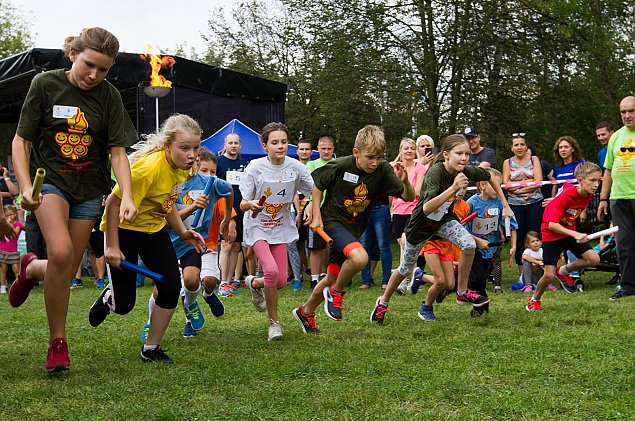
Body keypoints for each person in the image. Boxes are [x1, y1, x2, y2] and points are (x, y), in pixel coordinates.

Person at [9, 27, 135, 372]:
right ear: (73, 55)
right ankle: (58, 342)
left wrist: (127, 194)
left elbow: (118, 152)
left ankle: (32, 268)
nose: (94, 75)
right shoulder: (46, 84)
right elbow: (21, 142)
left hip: (89, 190)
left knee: (62, 269)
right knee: (63, 253)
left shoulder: (108, 96)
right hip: (50, 182)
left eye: (104, 69)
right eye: (89, 65)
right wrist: (25, 186)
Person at [88, 113, 206, 365]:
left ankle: (151, 348)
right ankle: (110, 298)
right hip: (123, 230)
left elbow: (167, 202)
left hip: (153, 230)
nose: (192, 155)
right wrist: (112, 245)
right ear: (167, 145)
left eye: (195, 148)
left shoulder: (185, 168)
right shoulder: (148, 170)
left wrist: (183, 232)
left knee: (171, 286)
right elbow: (112, 202)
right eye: (184, 148)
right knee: (124, 306)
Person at [370, 134, 513, 325]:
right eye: (459, 153)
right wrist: (453, 188)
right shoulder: (436, 173)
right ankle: (383, 302)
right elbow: (427, 207)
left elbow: (489, 175)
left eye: (467, 154)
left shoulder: (465, 170)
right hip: (421, 226)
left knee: (469, 245)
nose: (464, 158)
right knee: (405, 268)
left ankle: (462, 292)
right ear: (446, 154)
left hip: (444, 222)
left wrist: (505, 205)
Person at [293, 125, 414, 333]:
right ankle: (336, 293)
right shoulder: (340, 165)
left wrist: (405, 181)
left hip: (354, 228)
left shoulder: (383, 169)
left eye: (379, 157)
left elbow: (409, 197)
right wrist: (316, 214)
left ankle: (305, 312)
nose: (374, 162)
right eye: (369, 157)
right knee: (359, 258)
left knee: (331, 276)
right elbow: (317, 185)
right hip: (333, 222)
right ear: (356, 152)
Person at [141, 148, 233, 341]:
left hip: (191, 243)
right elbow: (166, 221)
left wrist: (226, 219)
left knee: (192, 280)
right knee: (161, 289)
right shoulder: (170, 182)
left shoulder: (209, 183)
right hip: (166, 242)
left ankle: (190, 304)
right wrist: (193, 207)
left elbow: (229, 190)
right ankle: (150, 323)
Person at [240, 122, 313, 341]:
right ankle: (274, 324)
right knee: (271, 272)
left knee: (280, 281)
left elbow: (314, 189)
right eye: (274, 143)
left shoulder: (295, 167)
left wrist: (309, 204)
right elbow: (242, 204)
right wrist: (252, 204)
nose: (280, 146)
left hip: (280, 228)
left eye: (283, 142)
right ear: (265, 146)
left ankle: (253, 283)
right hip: (257, 226)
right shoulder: (255, 167)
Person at [526, 162, 602, 311]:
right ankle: (534, 300)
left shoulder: (589, 193)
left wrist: (573, 232)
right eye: (592, 180)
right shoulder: (565, 197)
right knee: (548, 275)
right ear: (580, 180)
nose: (596, 184)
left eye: (598, 180)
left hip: (569, 231)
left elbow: (567, 186)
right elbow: (552, 225)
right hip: (552, 235)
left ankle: (563, 271)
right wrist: (576, 234)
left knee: (594, 259)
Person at [465, 168, 518, 317]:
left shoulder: (500, 203)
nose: (498, 189)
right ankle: (472, 298)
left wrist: (513, 246)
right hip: (474, 247)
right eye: (495, 185)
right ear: (482, 185)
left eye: (500, 186)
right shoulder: (472, 203)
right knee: (478, 277)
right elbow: (463, 228)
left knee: (481, 279)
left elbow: (512, 224)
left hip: (491, 248)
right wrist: (476, 241)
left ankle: (480, 305)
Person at [597, 95, 635, 300]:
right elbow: (608, 170)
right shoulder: (616, 137)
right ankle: (628, 286)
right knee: (624, 244)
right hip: (619, 198)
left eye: (631, 111)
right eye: (623, 112)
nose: (627, 115)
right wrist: (603, 199)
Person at [411, 192, 469, 321]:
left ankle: (421, 276)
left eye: (464, 188)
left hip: (446, 245)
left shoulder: (465, 206)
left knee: (449, 284)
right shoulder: (440, 202)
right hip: (431, 243)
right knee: (440, 281)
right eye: (458, 189)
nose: (461, 192)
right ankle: (426, 308)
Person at [502, 133, 543, 272]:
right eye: (516, 145)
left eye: (522, 144)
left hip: (534, 202)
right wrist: (525, 184)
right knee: (519, 237)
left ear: (526, 147)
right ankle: (522, 273)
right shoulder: (507, 162)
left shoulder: (534, 159)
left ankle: (538, 270)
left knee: (535, 234)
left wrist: (518, 186)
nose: (519, 147)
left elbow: (538, 181)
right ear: (512, 148)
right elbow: (505, 183)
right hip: (515, 204)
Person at [216, 132, 250, 294]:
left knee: (236, 246)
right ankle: (222, 282)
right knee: (226, 244)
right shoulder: (218, 163)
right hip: (226, 210)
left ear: (240, 145)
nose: (233, 145)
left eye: (236, 143)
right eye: (230, 143)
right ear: (225, 145)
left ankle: (230, 282)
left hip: (242, 209)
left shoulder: (245, 164)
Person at [305, 135, 336, 288]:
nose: (326, 151)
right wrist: (311, 204)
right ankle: (314, 278)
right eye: (323, 148)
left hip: (334, 211)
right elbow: (309, 188)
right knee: (315, 247)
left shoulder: (338, 164)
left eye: (329, 149)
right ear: (317, 149)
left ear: (333, 149)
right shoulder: (311, 165)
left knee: (333, 245)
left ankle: (328, 275)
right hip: (316, 209)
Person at [391, 138, 426, 268]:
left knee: (407, 242)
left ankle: (405, 279)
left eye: (412, 148)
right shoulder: (394, 168)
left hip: (413, 210)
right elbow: (391, 190)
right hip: (398, 210)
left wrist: (402, 189)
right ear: (400, 151)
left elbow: (417, 191)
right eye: (406, 148)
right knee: (403, 244)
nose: (409, 151)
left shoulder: (420, 167)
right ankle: (412, 275)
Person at [463, 127, 496, 199]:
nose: (471, 141)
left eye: (473, 138)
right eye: (468, 139)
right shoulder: (463, 155)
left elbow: (479, 171)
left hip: (484, 194)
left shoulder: (488, 153)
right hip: (465, 194)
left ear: (478, 137)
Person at [0, 205, 23, 294]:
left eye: (11, 215)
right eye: (7, 216)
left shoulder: (18, 225)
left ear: (15, 214)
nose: (9, 217)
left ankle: (18, 286)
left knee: (16, 269)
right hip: (2, 250)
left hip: (13, 252)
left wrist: (8, 224)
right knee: (3, 269)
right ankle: (2, 286)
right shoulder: (2, 226)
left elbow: (15, 234)